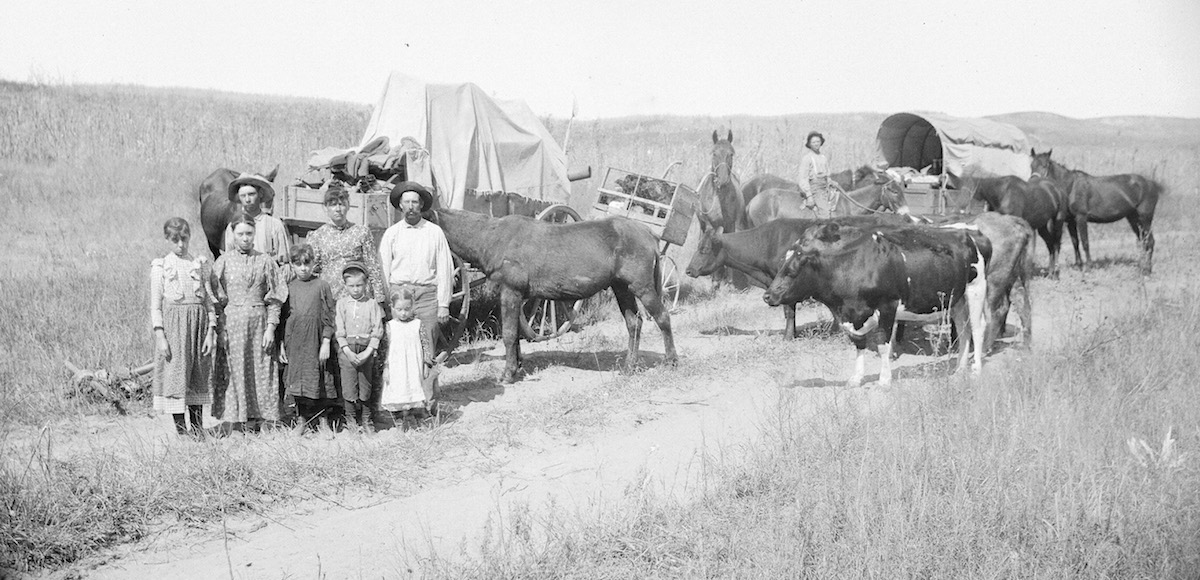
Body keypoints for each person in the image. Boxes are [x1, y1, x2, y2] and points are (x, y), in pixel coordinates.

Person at [212, 214, 289, 431]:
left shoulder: (265, 261)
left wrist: (271, 328)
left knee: (262, 369)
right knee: (235, 371)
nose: (245, 238)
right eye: (240, 234)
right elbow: (214, 298)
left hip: (259, 324)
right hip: (233, 324)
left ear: (254, 234)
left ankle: (262, 419)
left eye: (249, 233)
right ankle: (236, 421)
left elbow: (276, 298)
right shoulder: (223, 262)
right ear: (233, 235)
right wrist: (219, 329)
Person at [377, 182, 453, 400]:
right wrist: (385, 300)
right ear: (400, 206)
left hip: (427, 295)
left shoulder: (433, 232)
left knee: (427, 349)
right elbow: (383, 268)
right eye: (406, 202)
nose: (411, 206)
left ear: (421, 206)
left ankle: (428, 401)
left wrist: (443, 303)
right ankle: (403, 400)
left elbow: (445, 268)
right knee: (400, 348)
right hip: (399, 296)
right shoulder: (392, 234)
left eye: (415, 202)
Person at [149, 218, 217, 436]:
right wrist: (160, 336)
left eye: (184, 239)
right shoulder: (161, 267)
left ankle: (197, 427)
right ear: (168, 239)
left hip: (198, 327)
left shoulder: (197, 264)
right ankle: (181, 430)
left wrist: (210, 332)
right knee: (176, 375)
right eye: (175, 240)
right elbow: (156, 305)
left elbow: (208, 301)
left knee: (197, 373)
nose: (181, 245)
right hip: (174, 328)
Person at [280, 244, 339, 433]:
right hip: (295, 342)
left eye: (307, 263)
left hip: (316, 341)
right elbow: (283, 318)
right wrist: (281, 344)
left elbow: (329, 315)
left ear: (314, 263)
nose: (303, 268)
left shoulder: (322, 285)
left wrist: (326, 340)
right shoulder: (289, 287)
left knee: (319, 379)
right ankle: (301, 420)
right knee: (298, 380)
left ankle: (322, 421)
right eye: (298, 264)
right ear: (292, 265)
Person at [307, 181, 386, 301]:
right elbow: (312, 270)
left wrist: (379, 298)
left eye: (341, 204)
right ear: (325, 208)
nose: (338, 209)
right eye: (333, 205)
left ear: (348, 206)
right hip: (331, 298)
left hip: (359, 297)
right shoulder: (317, 236)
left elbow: (373, 267)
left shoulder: (361, 232)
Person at [335, 262, 384, 432]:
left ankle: (367, 420)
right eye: (352, 286)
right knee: (348, 385)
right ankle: (351, 421)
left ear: (366, 284)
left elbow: (377, 329)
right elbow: (339, 330)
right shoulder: (341, 304)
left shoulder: (372, 304)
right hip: (347, 350)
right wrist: (346, 350)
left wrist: (369, 351)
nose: (356, 289)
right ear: (345, 285)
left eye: (359, 285)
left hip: (366, 350)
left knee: (365, 385)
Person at [379, 288, 436, 428]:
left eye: (407, 309)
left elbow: (425, 345)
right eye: (399, 309)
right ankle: (399, 418)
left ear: (413, 306)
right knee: (398, 389)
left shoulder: (417, 324)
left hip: (413, 364)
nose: (403, 313)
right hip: (396, 365)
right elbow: (385, 349)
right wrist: (386, 367)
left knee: (414, 388)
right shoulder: (390, 326)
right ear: (392, 308)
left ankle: (416, 417)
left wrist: (425, 364)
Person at [222, 173, 291, 264]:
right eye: (243, 196)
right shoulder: (233, 227)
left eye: (251, 194)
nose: (247, 200)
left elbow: (284, 262)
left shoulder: (274, 225)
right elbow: (229, 260)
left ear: (260, 194)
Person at [798, 131, 836, 218]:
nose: (816, 144)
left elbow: (827, 174)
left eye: (818, 141)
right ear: (809, 144)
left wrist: (830, 181)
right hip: (815, 188)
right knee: (825, 213)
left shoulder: (823, 157)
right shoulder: (807, 158)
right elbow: (803, 178)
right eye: (813, 142)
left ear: (821, 142)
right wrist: (809, 196)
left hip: (825, 186)